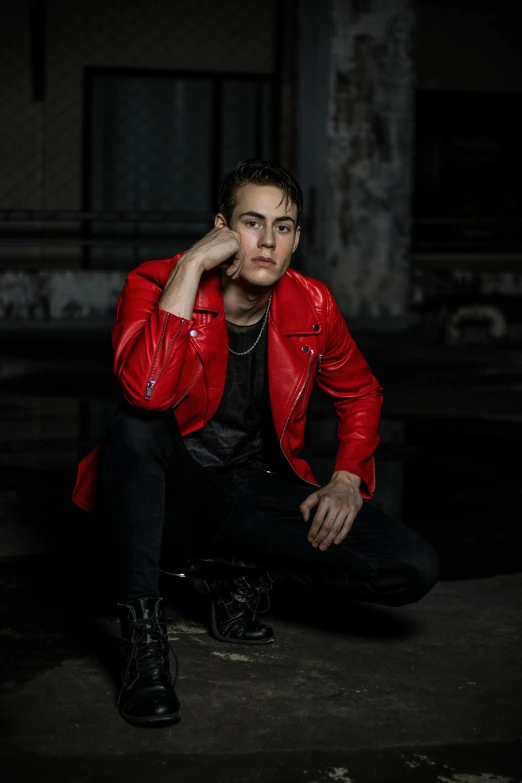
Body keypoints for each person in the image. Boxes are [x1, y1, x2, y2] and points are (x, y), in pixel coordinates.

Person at [73, 159, 438, 727]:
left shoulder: (313, 305)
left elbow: (361, 391)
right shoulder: (154, 281)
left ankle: (237, 572)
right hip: (176, 497)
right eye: (251, 222)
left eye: (284, 226)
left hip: (256, 491)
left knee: (409, 566)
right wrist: (192, 265)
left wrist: (346, 477)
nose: (267, 241)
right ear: (222, 228)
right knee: (137, 426)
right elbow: (146, 391)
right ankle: (145, 647)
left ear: (296, 238)